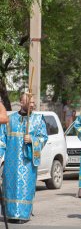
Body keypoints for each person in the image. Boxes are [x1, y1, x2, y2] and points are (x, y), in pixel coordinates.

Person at [0, 93, 48, 224]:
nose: (32, 105)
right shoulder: (10, 120)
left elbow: (44, 137)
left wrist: (33, 139)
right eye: (29, 102)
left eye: (33, 102)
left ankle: (23, 214)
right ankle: (10, 214)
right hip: (11, 161)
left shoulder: (38, 119)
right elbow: (2, 140)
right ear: (21, 102)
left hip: (27, 162)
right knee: (10, 187)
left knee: (25, 187)